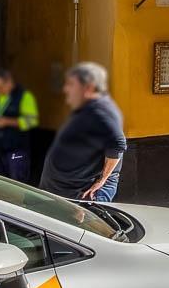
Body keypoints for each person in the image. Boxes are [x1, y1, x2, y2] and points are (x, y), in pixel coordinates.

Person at [39, 61, 127, 201]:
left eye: (71, 84)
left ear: (89, 88)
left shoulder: (101, 111)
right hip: (65, 193)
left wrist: (101, 181)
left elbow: (117, 144)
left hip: (84, 195)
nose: (66, 89)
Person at [0, 68, 38, 182]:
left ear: (9, 82)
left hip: (16, 151)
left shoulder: (24, 96)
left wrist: (8, 122)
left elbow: (32, 121)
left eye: (0, 88)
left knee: (17, 184)